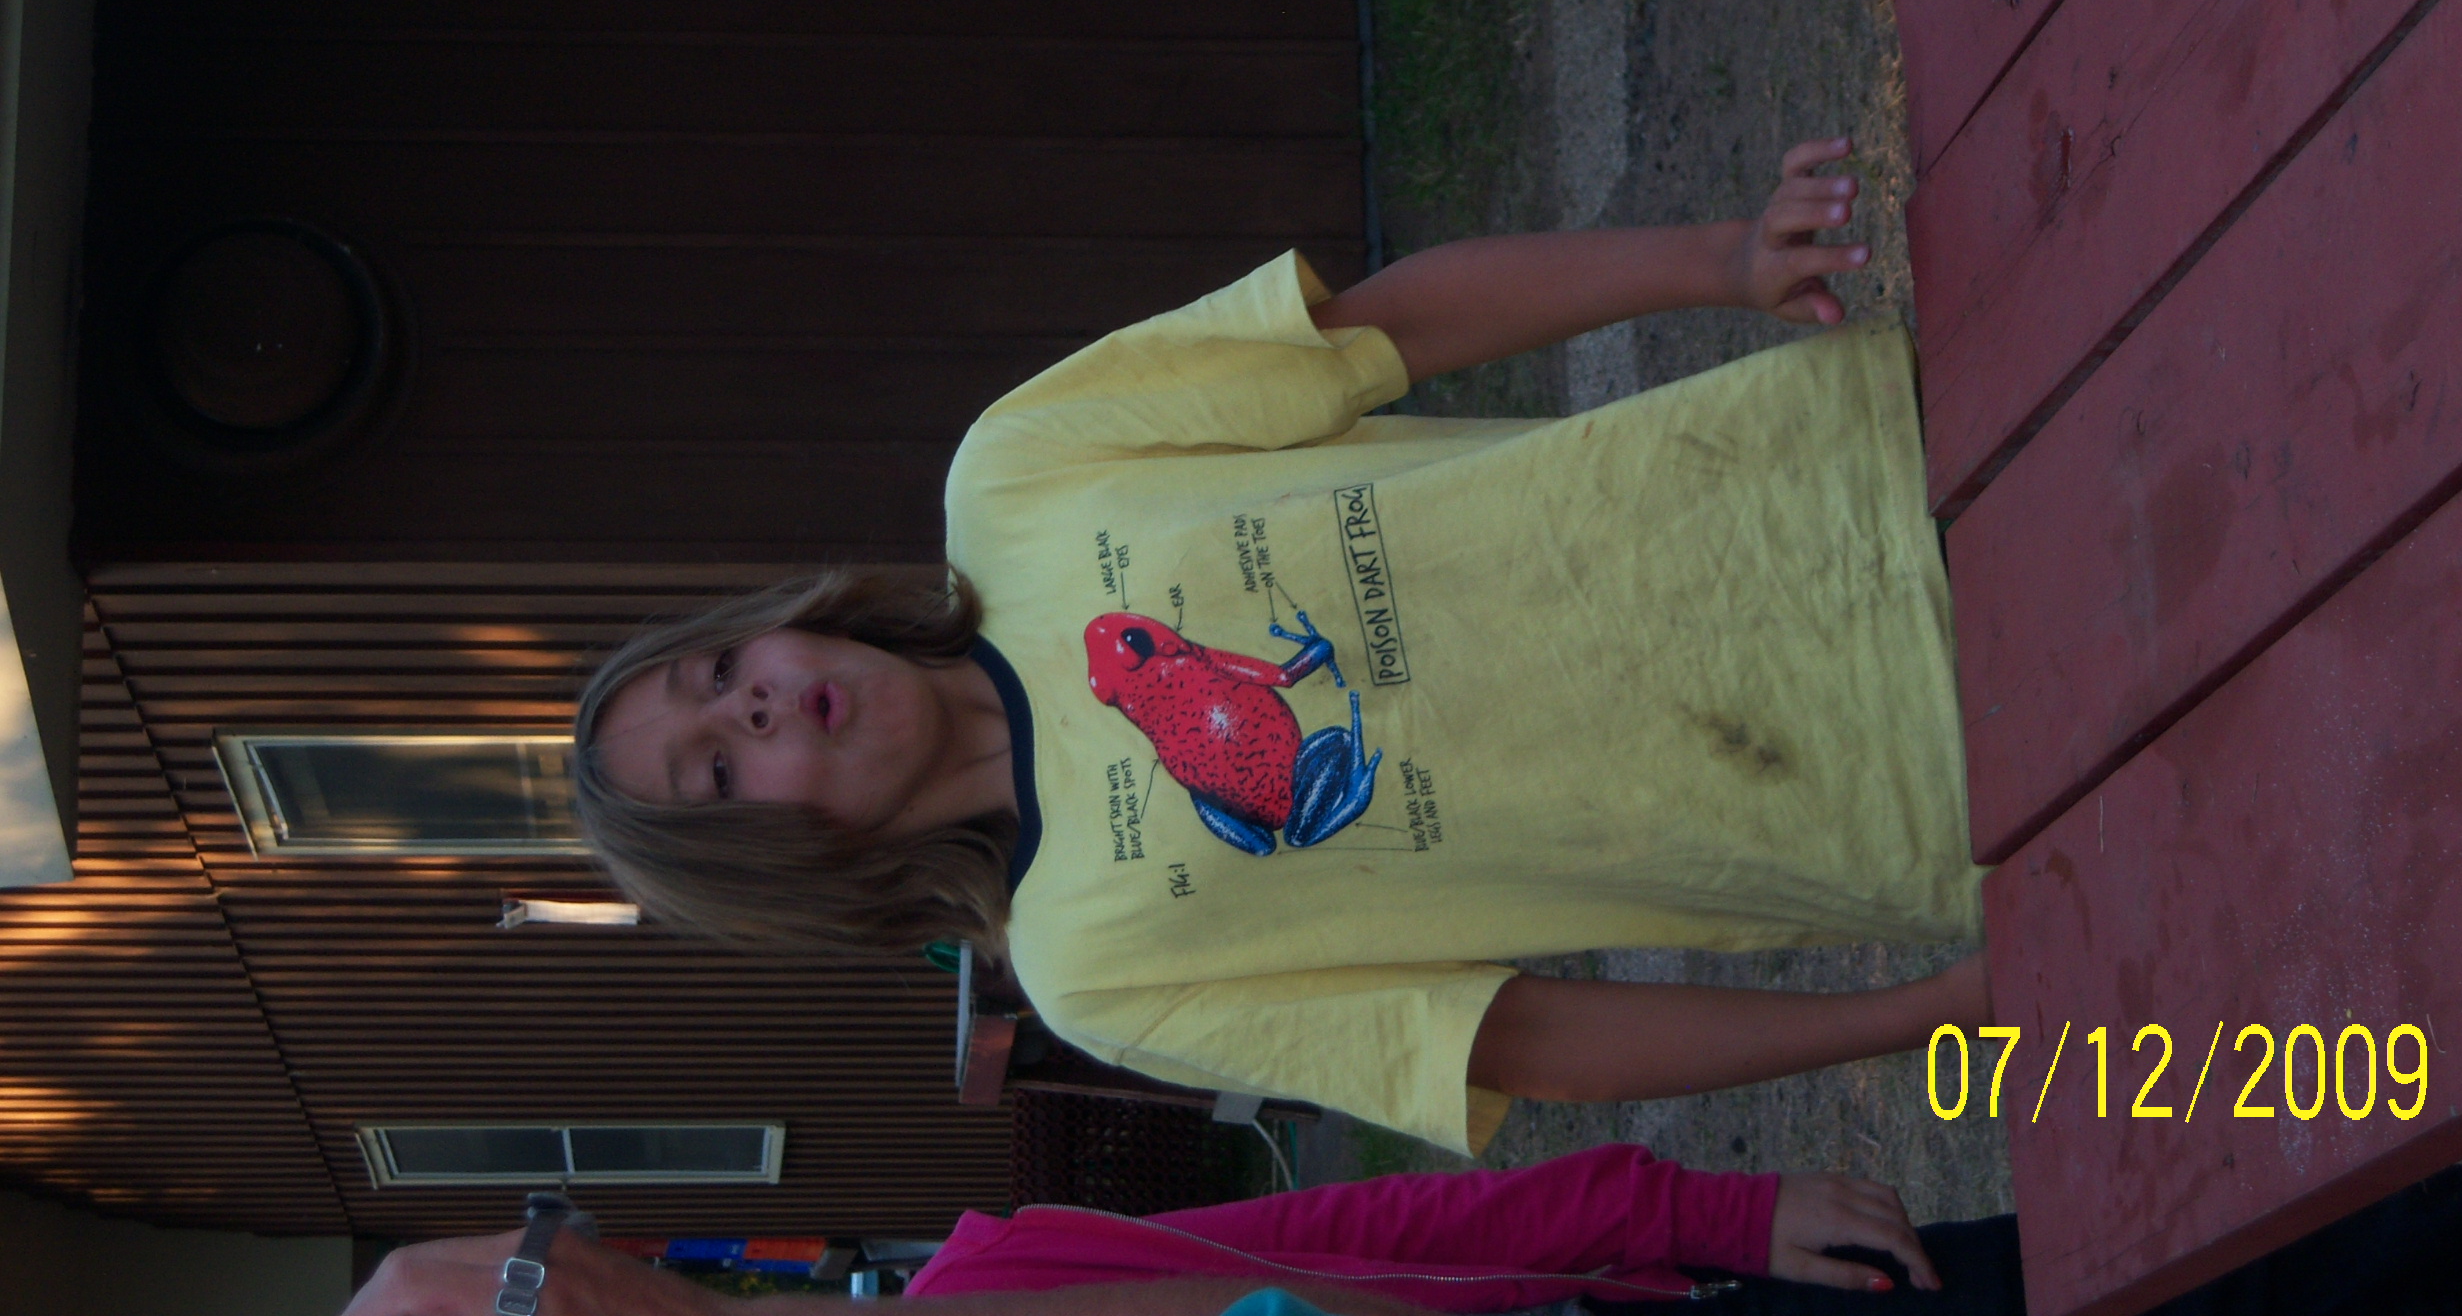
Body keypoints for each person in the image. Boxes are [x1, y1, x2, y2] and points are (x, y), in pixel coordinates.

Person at [578, 139, 1991, 1155]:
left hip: (1850, 473)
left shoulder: (1009, 479)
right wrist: (1916, 1019)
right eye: (717, 774)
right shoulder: (1089, 972)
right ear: (787, 872)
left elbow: (1382, 334)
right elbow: (1515, 1038)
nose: (751, 709)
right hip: (1914, 790)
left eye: (720, 673)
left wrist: (1720, 259)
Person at [341, 1132, 2462, 1316]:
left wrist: (1705, 1202)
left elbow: (1388, 1226)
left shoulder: (993, 1269)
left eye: (515, 1281)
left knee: (2283, 1259)